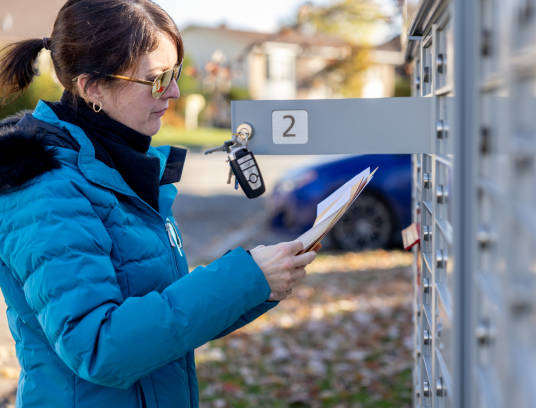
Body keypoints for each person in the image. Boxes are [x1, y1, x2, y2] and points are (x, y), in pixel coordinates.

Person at [0, 1, 319, 407]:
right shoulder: (44, 190)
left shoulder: (116, 166)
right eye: (156, 79)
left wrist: (259, 283)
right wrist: (245, 278)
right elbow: (98, 347)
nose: (174, 91)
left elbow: (162, 315)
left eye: (176, 73)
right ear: (92, 87)